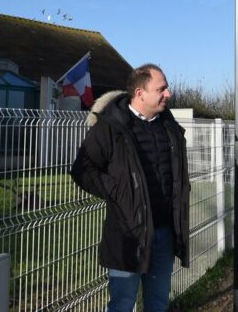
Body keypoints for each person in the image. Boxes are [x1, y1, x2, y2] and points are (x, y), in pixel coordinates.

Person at [70, 64, 190, 312]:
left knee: (158, 303)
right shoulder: (111, 127)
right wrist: (117, 191)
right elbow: (83, 169)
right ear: (140, 92)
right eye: (162, 89)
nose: (168, 94)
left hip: (165, 233)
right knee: (123, 304)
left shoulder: (170, 127)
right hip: (128, 233)